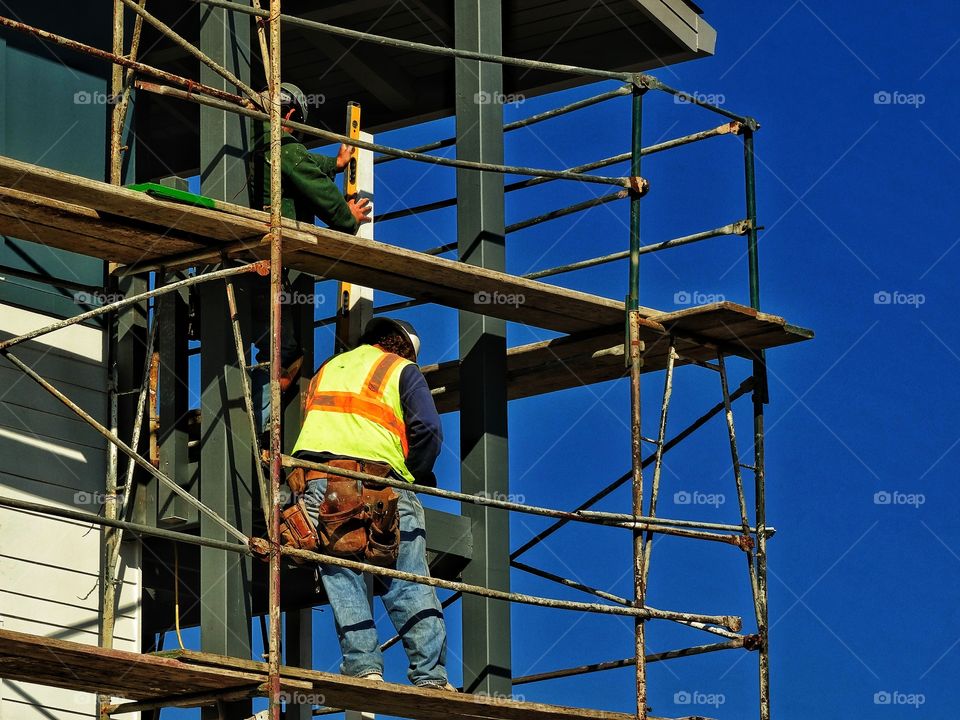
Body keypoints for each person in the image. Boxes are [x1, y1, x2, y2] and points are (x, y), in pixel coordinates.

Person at [286, 317, 453, 690]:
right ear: (404, 348)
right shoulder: (400, 368)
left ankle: (363, 668)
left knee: (341, 572)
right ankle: (430, 677)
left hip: (321, 481)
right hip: (381, 485)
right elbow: (427, 428)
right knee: (406, 577)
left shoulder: (327, 370)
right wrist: (415, 475)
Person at [247, 83, 371, 431]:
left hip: (245, 262)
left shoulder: (252, 142)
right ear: (288, 115)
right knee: (283, 355)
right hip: (267, 264)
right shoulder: (281, 146)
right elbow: (311, 182)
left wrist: (335, 163)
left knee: (264, 348)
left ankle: (251, 420)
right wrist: (348, 218)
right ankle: (255, 428)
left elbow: (301, 161)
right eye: (296, 126)